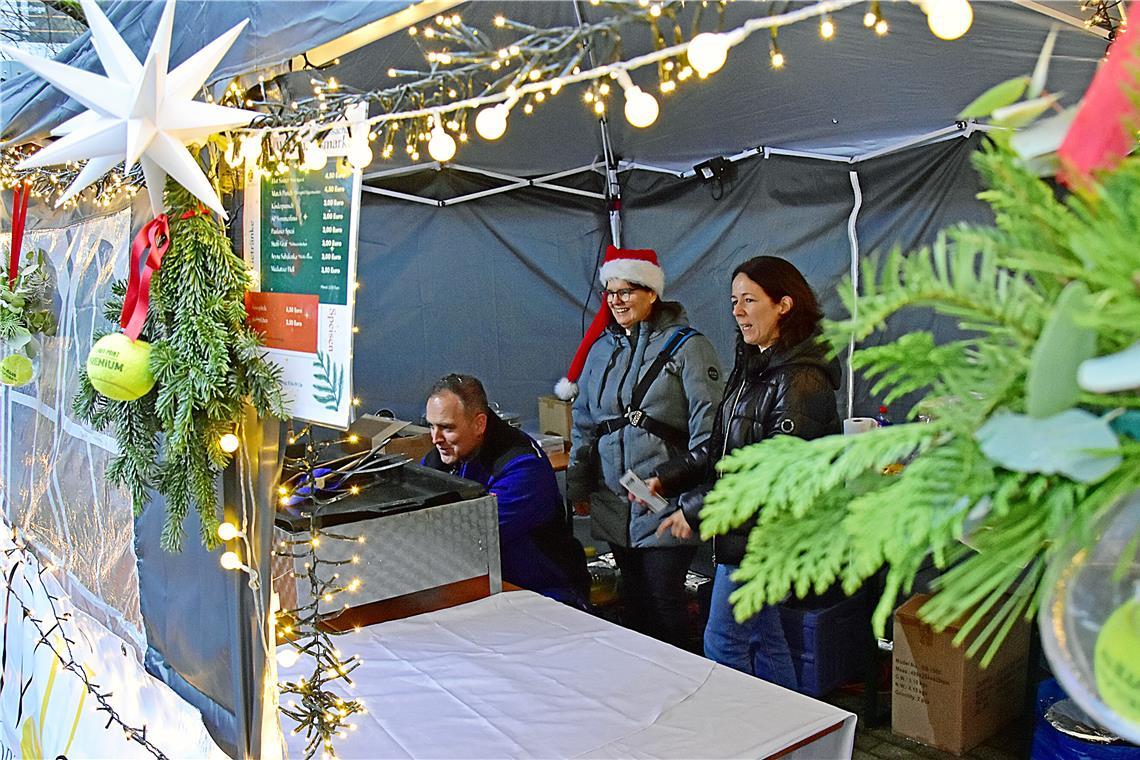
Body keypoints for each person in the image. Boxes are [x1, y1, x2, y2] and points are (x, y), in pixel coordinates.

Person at [649, 255, 841, 688]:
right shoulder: (755, 365)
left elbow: (771, 474)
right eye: (734, 300)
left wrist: (697, 510)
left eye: (749, 300)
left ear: (784, 305)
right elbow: (725, 450)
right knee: (766, 640)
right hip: (744, 532)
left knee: (723, 642)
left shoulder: (801, 380)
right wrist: (671, 475)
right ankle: (796, 741)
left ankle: (745, 739)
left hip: (769, 537)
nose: (736, 311)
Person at [558, 245, 723, 648]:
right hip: (615, 501)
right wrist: (579, 486)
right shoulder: (600, 350)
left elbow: (710, 428)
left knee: (665, 601)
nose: (616, 300)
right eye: (611, 292)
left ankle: (685, 685)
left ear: (652, 292)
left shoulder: (689, 348)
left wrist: (695, 496)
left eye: (627, 290)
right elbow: (584, 425)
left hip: (666, 499)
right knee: (632, 600)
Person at [422, 374, 589, 607]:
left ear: (479, 423)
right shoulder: (442, 456)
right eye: (431, 426)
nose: (435, 438)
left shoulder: (523, 469)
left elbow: (469, 535)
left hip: (545, 595)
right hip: (488, 590)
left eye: (447, 428)